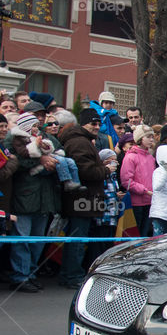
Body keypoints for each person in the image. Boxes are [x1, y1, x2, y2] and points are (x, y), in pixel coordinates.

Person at [4, 113, 60, 292]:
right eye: (34, 124)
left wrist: (53, 162)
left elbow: (59, 152)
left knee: (38, 241)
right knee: (23, 239)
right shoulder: (13, 140)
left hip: (44, 199)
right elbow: (16, 162)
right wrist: (39, 159)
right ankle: (20, 276)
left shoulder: (44, 139)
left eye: (38, 124)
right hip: (24, 197)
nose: (38, 127)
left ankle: (30, 273)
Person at [56, 109, 112, 288]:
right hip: (82, 199)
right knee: (77, 240)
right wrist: (106, 170)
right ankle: (72, 275)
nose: (96, 127)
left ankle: (69, 274)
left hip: (83, 198)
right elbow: (84, 170)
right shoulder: (80, 142)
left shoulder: (82, 140)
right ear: (83, 124)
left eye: (98, 123)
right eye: (92, 123)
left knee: (77, 239)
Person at [119, 124, 157, 236]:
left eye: (152, 137)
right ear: (140, 139)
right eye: (148, 137)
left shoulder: (150, 157)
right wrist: (144, 190)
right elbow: (126, 181)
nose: (151, 140)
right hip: (136, 202)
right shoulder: (131, 157)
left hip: (149, 201)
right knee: (135, 234)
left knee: (144, 233)